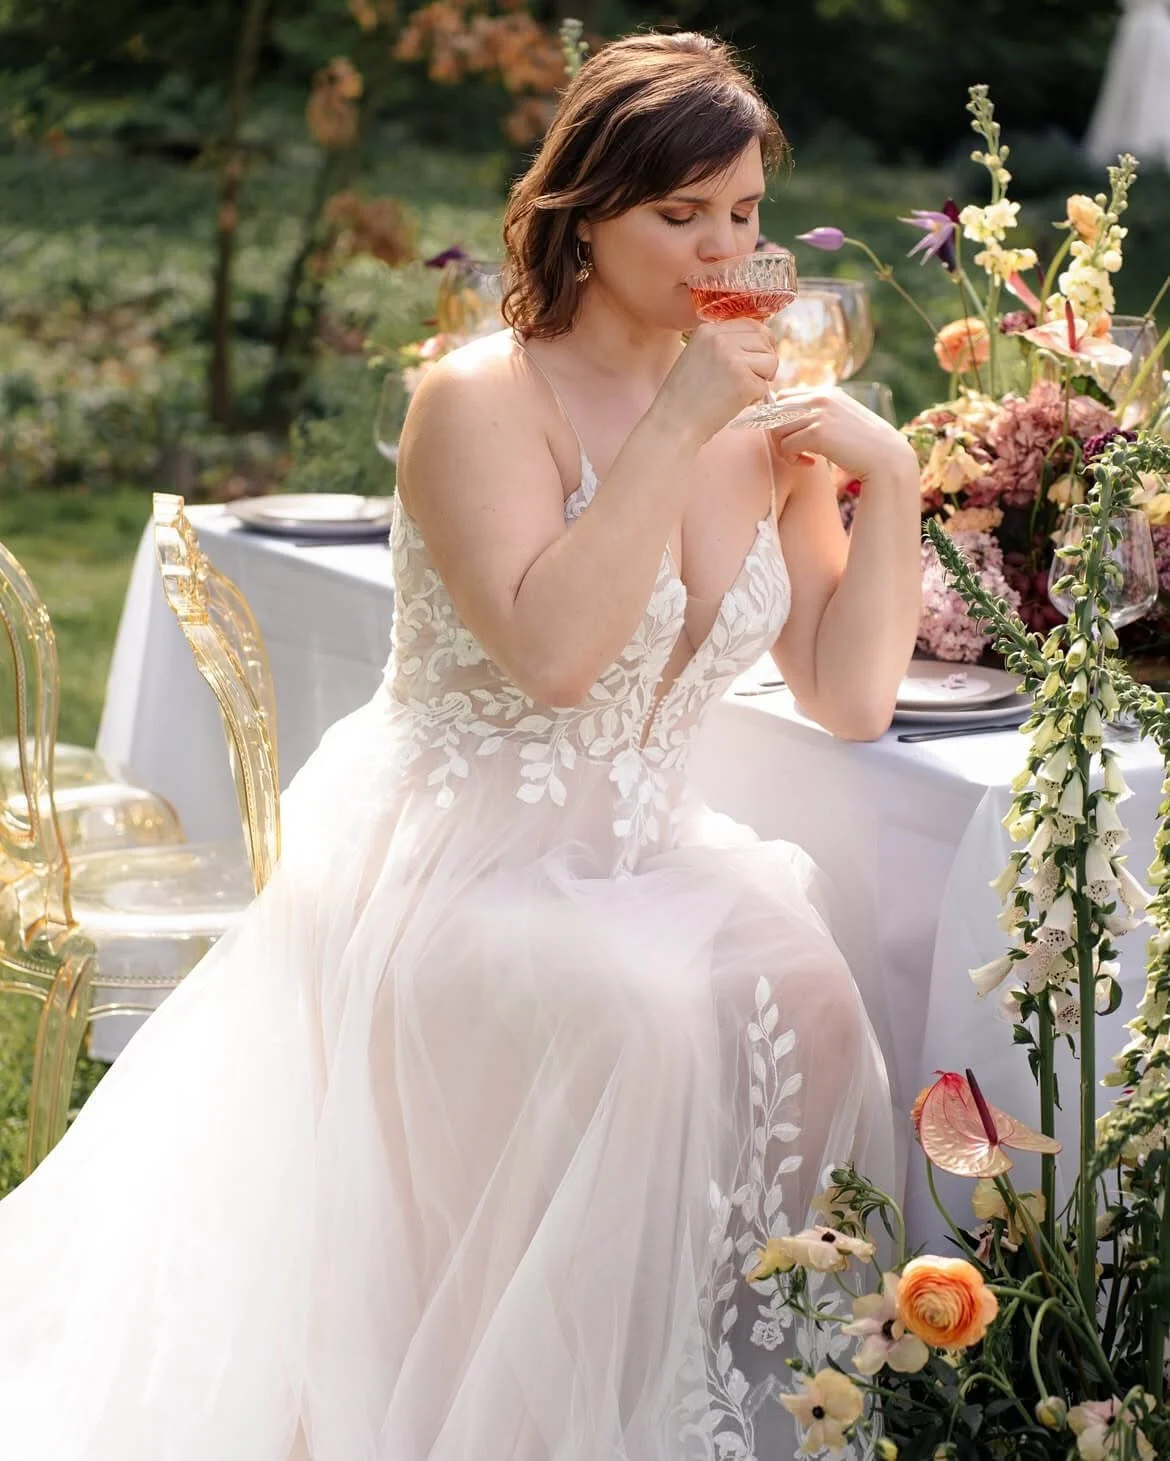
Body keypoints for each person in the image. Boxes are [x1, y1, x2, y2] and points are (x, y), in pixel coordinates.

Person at [0, 30, 921, 1461]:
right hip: (448, 866)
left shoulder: (759, 415)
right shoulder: (483, 397)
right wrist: (683, 419)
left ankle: (713, 1408)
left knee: (802, 986)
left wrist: (893, 475)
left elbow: (844, 697)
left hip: (644, 856)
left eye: (741, 213)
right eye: (676, 215)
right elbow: (554, 660)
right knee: (643, 1014)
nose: (721, 250)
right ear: (582, 213)